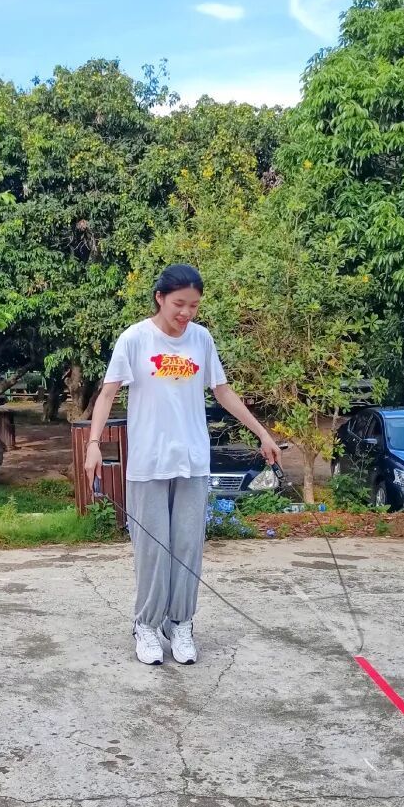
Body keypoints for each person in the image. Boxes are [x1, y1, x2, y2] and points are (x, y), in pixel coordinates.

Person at [84, 263, 282, 666]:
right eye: (179, 304)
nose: (186, 313)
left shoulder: (201, 339)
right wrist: (93, 445)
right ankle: (146, 624)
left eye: (193, 305)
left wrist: (263, 434)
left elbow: (223, 391)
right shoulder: (135, 339)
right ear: (160, 298)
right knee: (153, 550)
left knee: (189, 546)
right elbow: (107, 395)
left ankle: (180, 623)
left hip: (192, 460)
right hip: (149, 462)